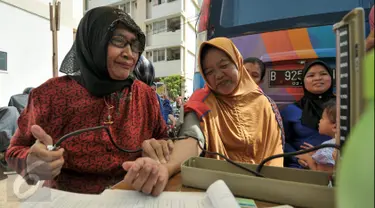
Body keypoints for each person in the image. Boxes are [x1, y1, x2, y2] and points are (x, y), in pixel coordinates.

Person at [5, 7, 170, 194]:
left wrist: (158, 152)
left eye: (135, 45)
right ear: (93, 41)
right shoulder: (49, 95)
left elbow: (162, 138)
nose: (129, 54)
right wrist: (31, 163)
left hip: (132, 195)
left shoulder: (145, 95)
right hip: (66, 200)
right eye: (118, 40)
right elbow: (14, 150)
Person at [121, 37, 285, 196]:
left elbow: (276, 154)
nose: (218, 75)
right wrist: (168, 167)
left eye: (224, 66)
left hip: (266, 189)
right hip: (221, 189)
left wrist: (272, 189)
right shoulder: (202, 100)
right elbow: (192, 136)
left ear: (238, 63)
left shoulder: (265, 105)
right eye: (210, 72)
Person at [281, 60, 335, 169]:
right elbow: (280, 141)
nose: (318, 78)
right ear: (303, 81)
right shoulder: (291, 110)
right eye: (311, 75)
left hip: (336, 168)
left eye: (323, 74)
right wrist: (298, 156)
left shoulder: (343, 107)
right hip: (301, 169)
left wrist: (323, 152)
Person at [296, 99, 337, 173]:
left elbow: (321, 173)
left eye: (322, 118)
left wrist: (307, 158)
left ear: (335, 127)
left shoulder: (327, 147)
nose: (319, 121)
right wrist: (316, 154)